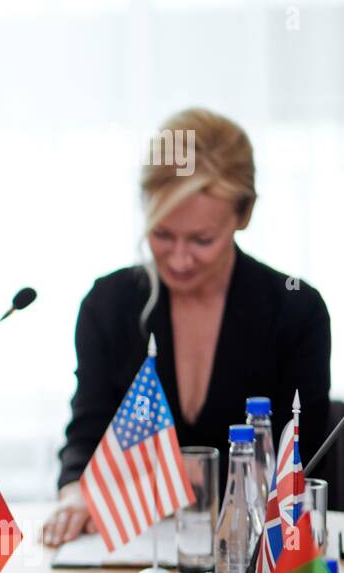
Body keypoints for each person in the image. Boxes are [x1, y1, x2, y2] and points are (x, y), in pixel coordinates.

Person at [43, 109, 331, 546]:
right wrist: (76, 494)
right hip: (137, 550)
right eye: (162, 235)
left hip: (257, 552)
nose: (178, 259)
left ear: (244, 214)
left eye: (201, 240)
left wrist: (169, 474)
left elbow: (304, 462)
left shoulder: (295, 309)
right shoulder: (108, 303)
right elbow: (87, 435)